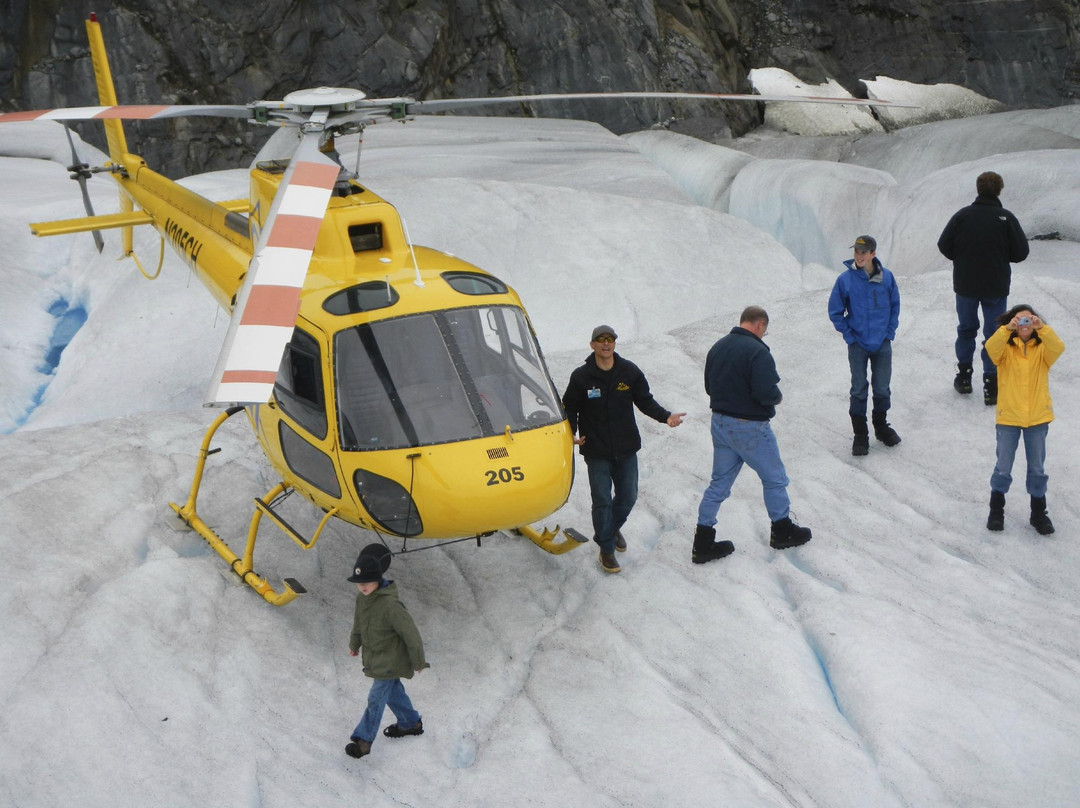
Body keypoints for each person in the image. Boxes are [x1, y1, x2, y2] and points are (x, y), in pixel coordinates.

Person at [562, 325, 686, 574]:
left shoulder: (628, 371)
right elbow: (570, 408)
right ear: (592, 345)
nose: (606, 344)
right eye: (601, 340)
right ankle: (606, 549)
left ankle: (610, 528)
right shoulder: (581, 377)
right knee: (602, 501)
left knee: (628, 496)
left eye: (610, 340)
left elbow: (645, 400)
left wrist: (665, 417)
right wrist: (570, 434)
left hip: (626, 448)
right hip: (596, 450)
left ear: (615, 344)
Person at [693, 306, 811, 563]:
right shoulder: (757, 351)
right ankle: (782, 531)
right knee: (775, 478)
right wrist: (776, 398)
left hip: (720, 423)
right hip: (749, 427)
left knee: (719, 484)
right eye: (764, 329)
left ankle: (702, 542)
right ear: (760, 324)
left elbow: (708, 386)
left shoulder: (718, 346)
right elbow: (766, 392)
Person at [937, 171, 1029, 405]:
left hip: (966, 285)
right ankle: (992, 385)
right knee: (995, 333)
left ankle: (964, 377)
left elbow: (944, 245)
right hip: (995, 286)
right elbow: (1021, 253)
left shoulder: (963, 216)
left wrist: (962, 258)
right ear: (999, 190)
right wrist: (1000, 257)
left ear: (978, 189)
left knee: (966, 329)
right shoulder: (1006, 218)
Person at [984, 304, 1064, 534]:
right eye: (1019, 321)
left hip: (1037, 417)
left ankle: (1039, 514)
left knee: (1037, 468)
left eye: (1028, 320)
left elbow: (1058, 348)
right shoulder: (1005, 350)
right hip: (1009, 417)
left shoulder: (1043, 350)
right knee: (1003, 467)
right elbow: (991, 349)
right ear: (1012, 324)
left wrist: (1044, 328)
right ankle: (996, 511)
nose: (1024, 325)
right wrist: (1005, 330)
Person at [345, 545, 429, 760]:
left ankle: (363, 740)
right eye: (358, 584)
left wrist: (418, 661)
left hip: (390, 660)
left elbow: (411, 634)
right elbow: (359, 624)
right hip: (376, 657)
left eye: (366, 582)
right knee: (393, 692)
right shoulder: (362, 600)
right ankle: (410, 723)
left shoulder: (391, 606)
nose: (362, 587)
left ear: (378, 580)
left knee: (376, 698)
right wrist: (355, 644)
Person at [827, 235, 901, 455]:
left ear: (873, 254)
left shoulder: (887, 278)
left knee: (882, 387)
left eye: (863, 252)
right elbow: (835, 311)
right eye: (857, 252)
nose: (859, 256)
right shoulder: (845, 280)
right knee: (859, 388)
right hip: (858, 344)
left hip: (882, 344)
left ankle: (881, 427)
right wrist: (849, 336)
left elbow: (895, 305)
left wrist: (889, 332)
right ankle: (860, 435)